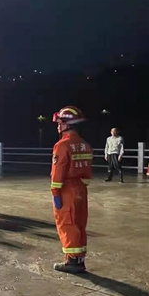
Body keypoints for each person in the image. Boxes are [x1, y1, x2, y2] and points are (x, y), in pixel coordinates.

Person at [51, 106, 93, 274]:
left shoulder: (62, 145)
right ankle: (80, 259)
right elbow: (87, 173)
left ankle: (72, 262)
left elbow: (57, 173)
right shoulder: (85, 144)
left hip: (66, 189)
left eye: (59, 123)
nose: (58, 126)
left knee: (67, 224)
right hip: (81, 188)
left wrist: (56, 193)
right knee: (80, 224)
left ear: (67, 124)